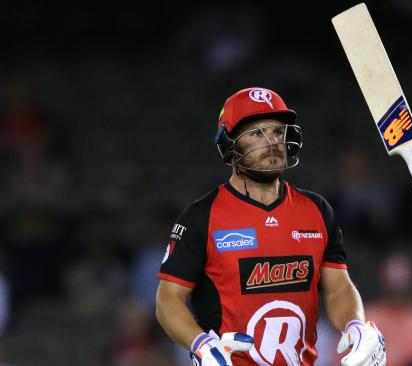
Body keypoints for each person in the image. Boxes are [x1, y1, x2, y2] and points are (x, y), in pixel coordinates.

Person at [155, 87, 386, 366]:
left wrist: (355, 325)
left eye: (277, 132)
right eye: (257, 133)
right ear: (230, 144)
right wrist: (200, 344)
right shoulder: (200, 217)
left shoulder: (317, 210)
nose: (272, 142)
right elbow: (168, 300)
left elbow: (338, 287)